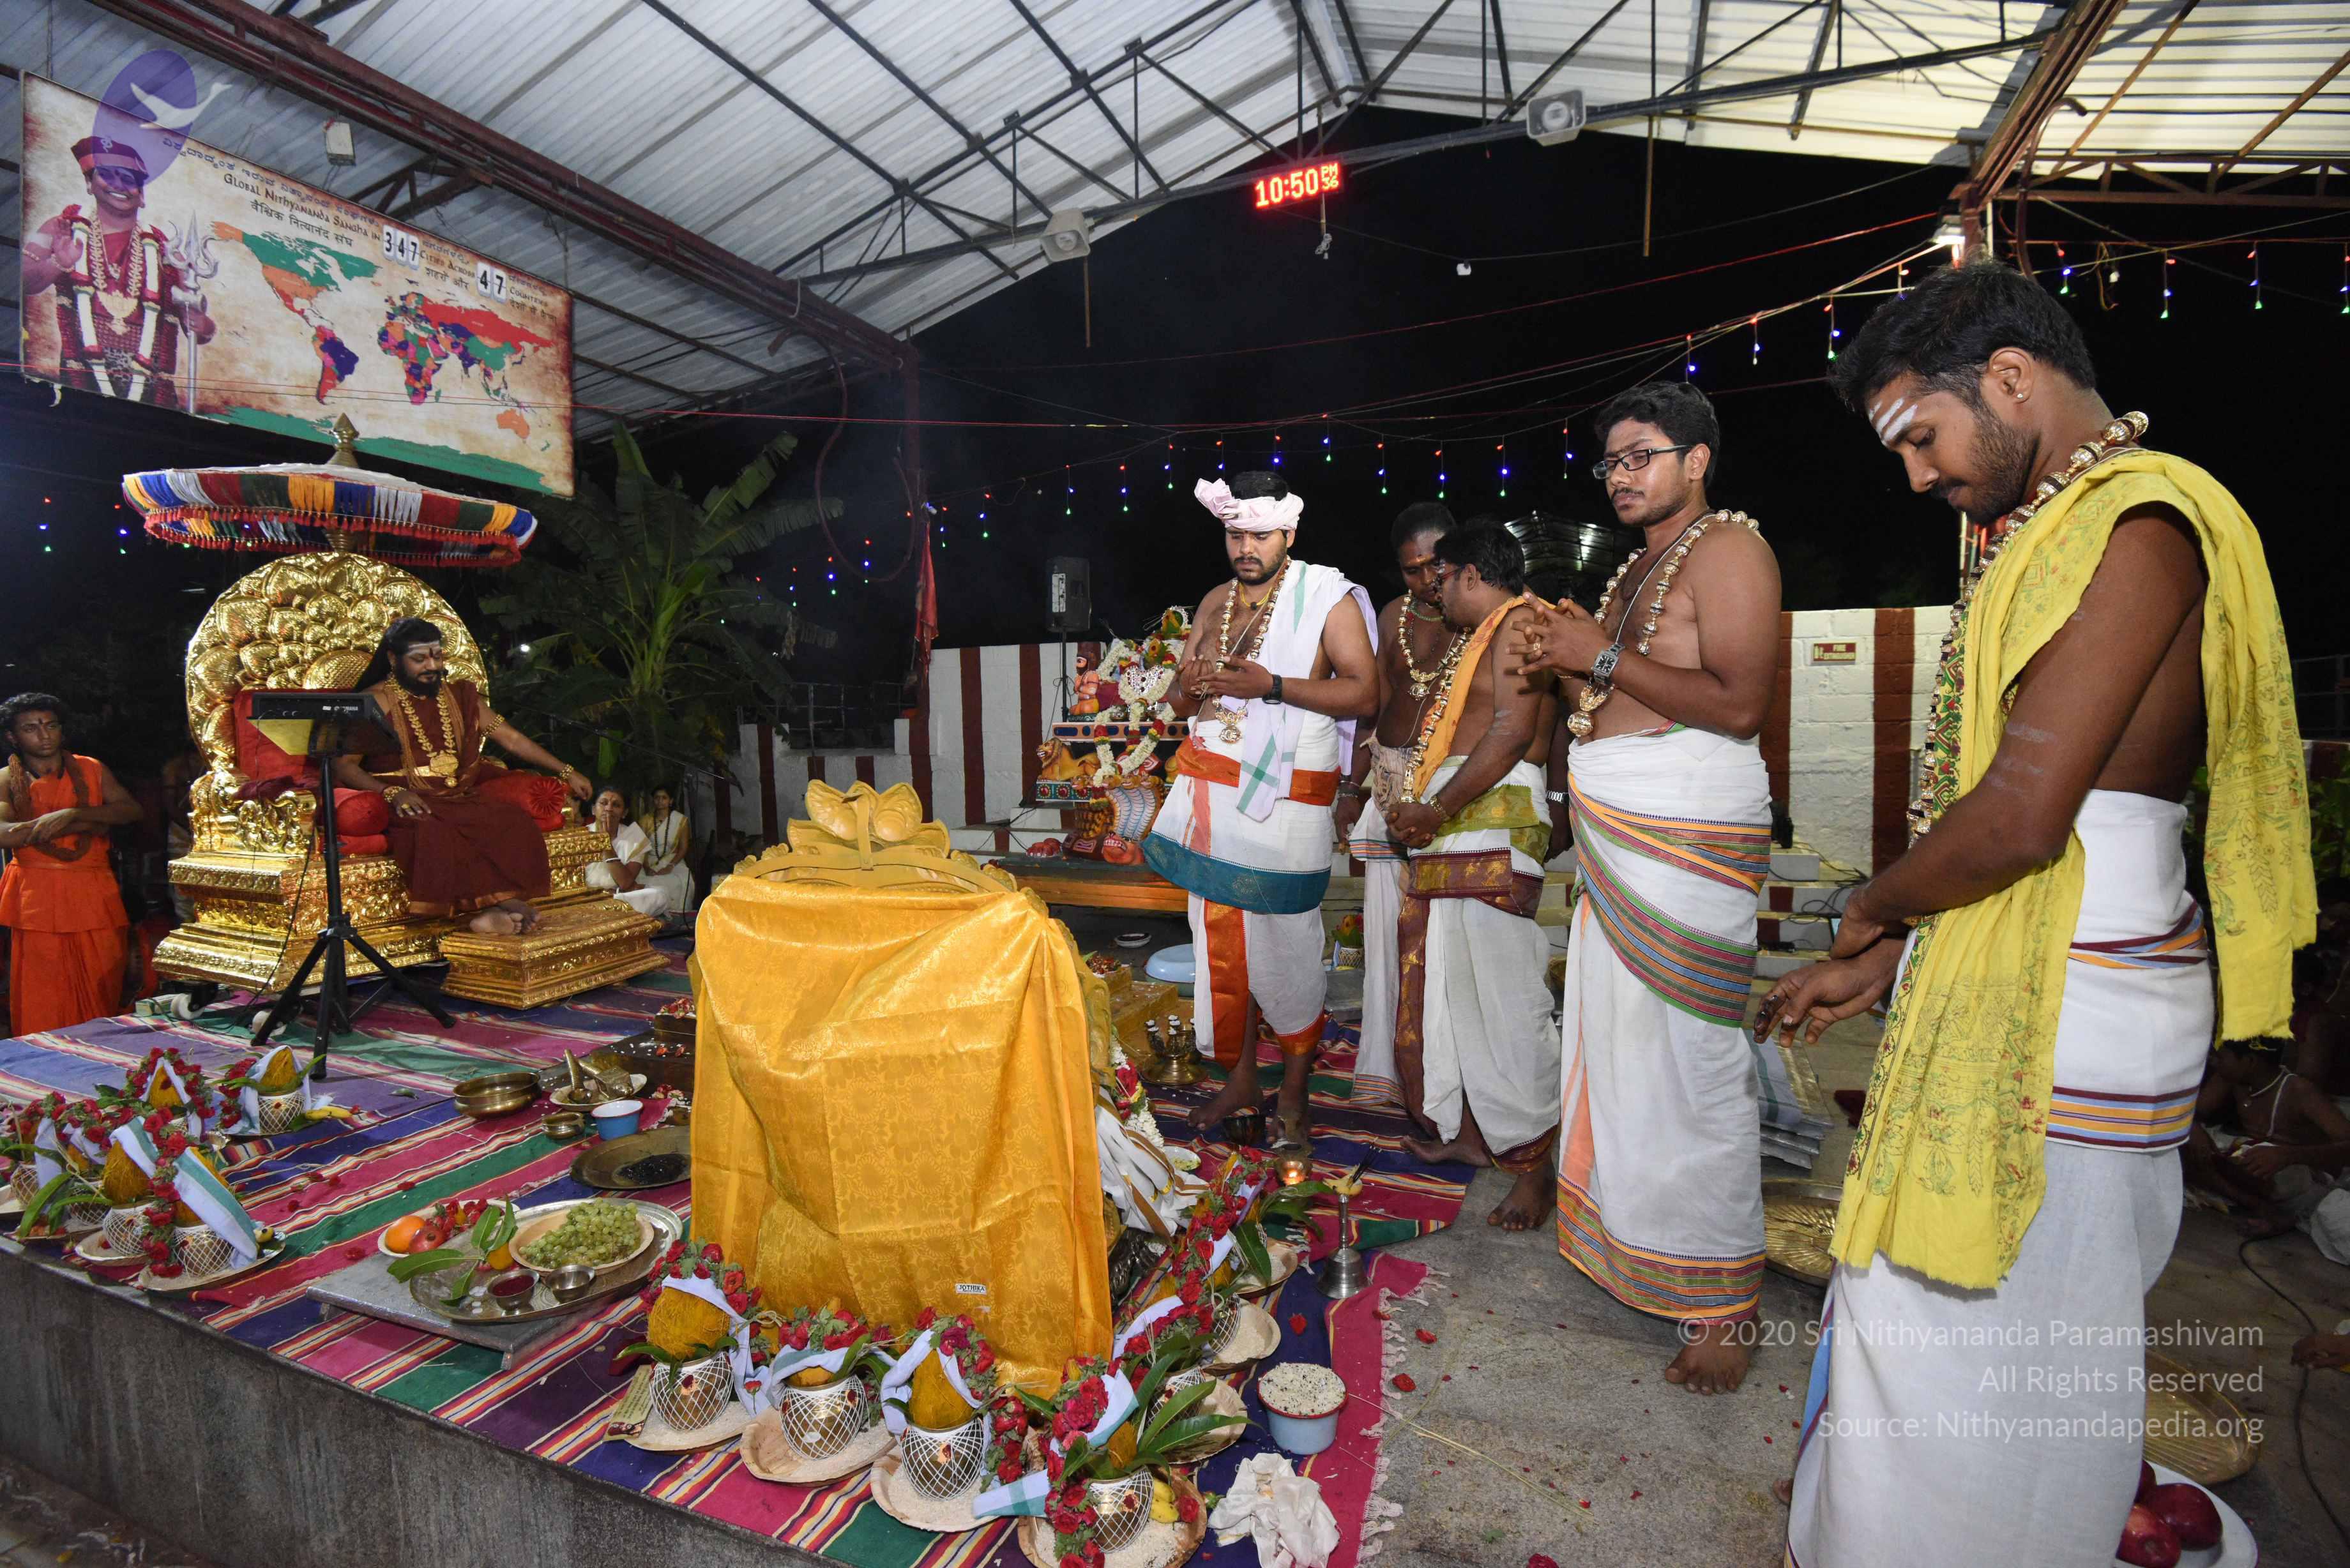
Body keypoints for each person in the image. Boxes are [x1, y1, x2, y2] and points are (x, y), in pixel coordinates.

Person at [1755, 260, 2311, 1567]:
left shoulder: (2141, 526)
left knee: (1985, 1356)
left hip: (2080, 1000)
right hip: (2039, 974)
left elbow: (2016, 820)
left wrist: (1868, 905)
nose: (1916, 476)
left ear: (2008, 379)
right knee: (1941, 1341)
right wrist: (1896, 951)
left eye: (1922, 437)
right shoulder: (2058, 529)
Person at [1508, 382, 1782, 1393]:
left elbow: (1740, 704)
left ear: (1697, 459)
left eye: (1641, 457)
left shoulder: (1730, 549)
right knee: (1622, 1052)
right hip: (1621, 836)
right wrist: (1564, 661)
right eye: (1611, 462)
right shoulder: (1637, 567)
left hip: (1685, 830)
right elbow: (1608, 694)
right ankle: (1641, 1241)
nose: (1621, 477)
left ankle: (1728, 1299)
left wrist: (1598, 652)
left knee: (1691, 1065)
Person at [1146, 472, 1378, 1143]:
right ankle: (1242, 1079)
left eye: (1260, 535)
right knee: (1221, 946)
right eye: (1234, 534)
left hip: (1286, 800)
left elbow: (1366, 695)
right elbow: (1178, 702)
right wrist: (1190, 686)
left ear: (1289, 534)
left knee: (1287, 947)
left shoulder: (1327, 598)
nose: (1245, 548)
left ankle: (1296, 1089)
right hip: (1213, 793)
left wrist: (1272, 686)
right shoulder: (1215, 601)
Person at [1382, 525, 1560, 1228]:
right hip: (1461, 818)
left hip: (1491, 815)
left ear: (1470, 574)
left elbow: (1511, 731)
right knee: (1457, 992)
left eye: (1442, 577)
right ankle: (1475, 1135)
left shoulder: (1519, 622)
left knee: (1503, 997)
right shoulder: (1483, 632)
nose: (1433, 591)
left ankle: (1534, 1165)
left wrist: (1436, 808)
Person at [330, 618, 593, 936]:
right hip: (405, 797)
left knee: (510, 819)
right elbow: (344, 766)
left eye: (437, 656)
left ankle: (495, 910)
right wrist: (390, 793)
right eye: (419, 659)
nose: (432, 666)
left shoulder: (459, 696)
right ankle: (493, 910)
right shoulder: (375, 701)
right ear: (393, 659)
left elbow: (511, 739)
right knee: (433, 830)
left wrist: (566, 770)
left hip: (456, 795)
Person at [1334, 502, 1457, 1114]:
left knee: (1447, 948)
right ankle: (1389, 1074)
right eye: (1413, 570)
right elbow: (1376, 705)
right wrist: (1349, 787)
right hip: (1388, 788)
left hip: (1454, 796)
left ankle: (1447, 1084)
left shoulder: (1484, 611)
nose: (1427, 579)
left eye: (1437, 564)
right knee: (1388, 941)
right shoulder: (1392, 616)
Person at [20, 136, 213, 404]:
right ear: (89, 184)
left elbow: (199, 330)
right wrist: (59, 263)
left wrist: (201, 323)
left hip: (150, 384)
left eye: (129, 179)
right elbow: (24, 282)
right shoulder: (63, 228)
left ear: (142, 196)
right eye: (108, 175)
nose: (119, 185)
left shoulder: (167, 252)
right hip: (81, 372)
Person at [0, 694, 144, 1033]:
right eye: (31, 728)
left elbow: (131, 810)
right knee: (43, 989)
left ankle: (103, 1052)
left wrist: (73, 814)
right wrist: (87, 822)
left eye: (51, 726)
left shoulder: (91, 768)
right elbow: (5, 834)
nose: (44, 735)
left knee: (102, 980)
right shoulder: (6, 779)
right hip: (37, 898)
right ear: (13, 737)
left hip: (93, 892)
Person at [2187, 1036, 2350, 1264]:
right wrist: (2194, 1129)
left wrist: (2288, 1155)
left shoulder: (2300, 1090)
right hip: (2257, 1163)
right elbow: (2192, 1113)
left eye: (2222, 1057)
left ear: (2250, 1061)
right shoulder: (2232, 1077)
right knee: (2182, 1146)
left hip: (2303, 1174)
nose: (2214, 1061)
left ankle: (2277, 1212)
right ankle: (2264, 1208)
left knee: (2242, 1166)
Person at [585, 787, 671, 919]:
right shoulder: (581, 836)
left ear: (624, 813)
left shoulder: (635, 837)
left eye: (616, 805)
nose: (609, 808)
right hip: (588, 899)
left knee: (660, 894)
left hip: (620, 897)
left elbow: (625, 883)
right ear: (593, 809)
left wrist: (606, 845)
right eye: (603, 803)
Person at [634, 785, 694, 914]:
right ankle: (650, 914)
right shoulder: (645, 820)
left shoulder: (681, 821)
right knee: (641, 880)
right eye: (657, 798)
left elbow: (683, 848)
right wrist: (646, 867)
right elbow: (641, 848)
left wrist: (670, 866)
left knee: (684, 880)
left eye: (664, 798)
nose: (660, 801)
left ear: (670, 801)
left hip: (673, 859)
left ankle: (677, 913)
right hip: (647, 860)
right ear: (653, 800)